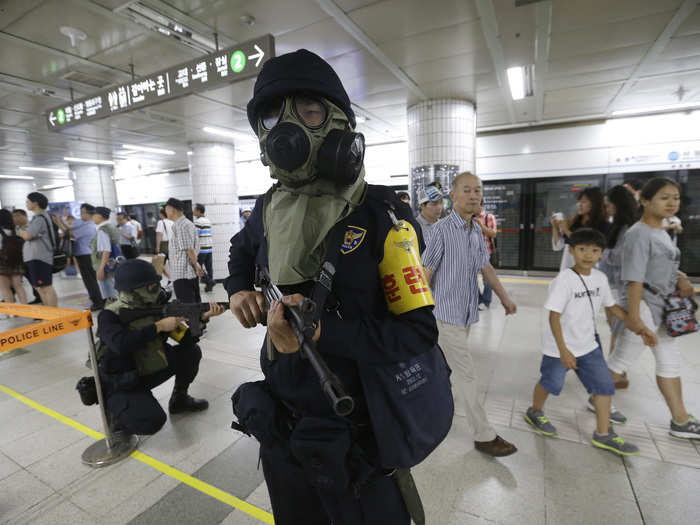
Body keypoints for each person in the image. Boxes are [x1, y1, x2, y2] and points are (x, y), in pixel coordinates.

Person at [226, 49, 447, 525]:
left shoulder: (386, 218)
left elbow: (418, 335)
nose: (288, 129)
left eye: (308, 110)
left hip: (360, 438)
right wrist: (237, 288)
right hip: (287, 427)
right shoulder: (269, 208)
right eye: (271, 116)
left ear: (342, 124)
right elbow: (240, 249)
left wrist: (327, 334)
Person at [524, 229, 656, 455]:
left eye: (595, 250)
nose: (588, 255)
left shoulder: (600, 279)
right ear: (572, 251)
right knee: (550, 383)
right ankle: (535, 411)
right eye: (582, 249)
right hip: (559, 347)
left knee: (604, 386)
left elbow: (612, 307)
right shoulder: (563, 281)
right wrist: (564, 351)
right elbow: (553, 316)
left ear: (601, 254)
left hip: (588, 345)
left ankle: (603, 434)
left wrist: (641, 328)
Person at [422, 171, 518, 457]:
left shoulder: (475, 230)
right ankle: (484, 435)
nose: (474, 195)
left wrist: (504, 297)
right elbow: (425, 272)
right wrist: (418, 313)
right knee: (467, 375)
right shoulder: (440, 230)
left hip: (465, 314)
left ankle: (425, 412)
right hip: (444, 316)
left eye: (478, 190)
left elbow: (485, 268)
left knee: (446, 369)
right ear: (453, 196)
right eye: (467, 190)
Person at [607, 178, 700, 439]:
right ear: (645, 201)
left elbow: (662, 265)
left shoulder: (661, 230)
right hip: (646, 306)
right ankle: (597, 398)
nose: (672, 203)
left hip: (662, 307)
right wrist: (634, 318)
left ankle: (680, 419)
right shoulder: (638, 233)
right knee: (620, 361)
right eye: (664, 197)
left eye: (676, 198)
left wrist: (680, 277)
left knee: (669, 361)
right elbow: (634, 278)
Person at [97, 259, 223, 439]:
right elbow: (120, 344)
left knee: (191, 352)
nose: (157, 290)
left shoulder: (157, 308)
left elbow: (187, 340)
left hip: (148, 368)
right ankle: (118, 417)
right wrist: (158, 327)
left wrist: (202, 319)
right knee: (152, 421)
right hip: (122, 380)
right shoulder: (110, 315)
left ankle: (179, 399)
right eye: (151, 287)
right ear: (133, 291)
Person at [598, 186, 638, 367]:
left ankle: (614, 371)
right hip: (617, 286)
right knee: (616, 328)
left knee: (618, 329)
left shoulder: (629, 229)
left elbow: (618, 257)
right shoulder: (623, 226)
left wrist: (601, 252)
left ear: (618, 205)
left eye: (609, 205)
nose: (607, 209)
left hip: (624, 288)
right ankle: (615, 369)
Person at [53, 204, 104, 310]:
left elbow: (70, 234)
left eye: (82, 212)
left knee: (90, 280)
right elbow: (69, 228)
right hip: (82, 254)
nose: (80, 214)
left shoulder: (89, 226)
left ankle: (98, 302)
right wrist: (60, 221)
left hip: (87, 255)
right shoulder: (82, 222)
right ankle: (96, 299)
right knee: (88, 280)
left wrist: (58, 222)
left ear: (89, 214)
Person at [551, 187, 608, 271]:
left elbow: (587, 246)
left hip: (587, 272)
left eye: (583, 202)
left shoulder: (602, 225)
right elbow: (557, 246)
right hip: (567, 270)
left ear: (594, 204)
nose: (579, 205)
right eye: (579, 201)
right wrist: (555, 227)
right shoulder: (575, 222)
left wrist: (566, 230)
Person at [18, 192, 58, 307]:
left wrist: (20, 231)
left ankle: (54, 315)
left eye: (27, 201)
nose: (26, 204)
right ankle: (49, 313)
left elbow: (28, 236)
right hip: (37, 257)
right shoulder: (39, 217)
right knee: (41, 287)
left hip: (39, 257)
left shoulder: (39, 218)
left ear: (35, 203)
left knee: (45, 287)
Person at [165, 198, 202, 303]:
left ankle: (193, 320)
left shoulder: (180, 226)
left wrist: (196, 266)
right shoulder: (188, 223)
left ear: (173, 210)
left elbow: (188, 249)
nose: (165, 211)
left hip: (182, 274)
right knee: (194, 305)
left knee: (187, 308)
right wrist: (196, 265)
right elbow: (195, 247)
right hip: (189, 273)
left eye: (167, 209)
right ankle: (197, 320)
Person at [91, 206, 121, 301]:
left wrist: (101, 269)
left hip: (106, 266)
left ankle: (113, 311)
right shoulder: (112, 226)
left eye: (94, 215)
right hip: (114, 263)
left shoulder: (102, 230)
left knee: (110, 293)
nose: (92, 217)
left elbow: (106, 250)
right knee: (115, 288)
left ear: (99, 216)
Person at [12, 209, 41, 304]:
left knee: (33, 279)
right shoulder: (15, 229)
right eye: (13, 216)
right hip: (20, 258)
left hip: (32, 256)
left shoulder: (32, 226)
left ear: (24, 216)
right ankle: (10, 296)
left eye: (16, 216)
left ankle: (40, 297)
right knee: (16, 279)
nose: (14, 218)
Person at [0, 209, 27, 306]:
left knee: (5, 288)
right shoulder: (16, 230)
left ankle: (12, 312)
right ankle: (25, 308)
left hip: (2, 262)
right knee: (18, 286)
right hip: (17, 261)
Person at [475, 199, 498, 310]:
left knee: (487, 280)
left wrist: (481, 226)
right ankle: (478, 300)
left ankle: (486, 301)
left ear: (480, 205)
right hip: (471, 253)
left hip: (486, 252)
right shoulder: (468, 218)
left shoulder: (488, 217)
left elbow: (493, 234)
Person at [193, 203, 215, 292]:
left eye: (194, 210)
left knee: (197, 267)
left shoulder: (197, 222)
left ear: (198, 211)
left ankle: (209, 281)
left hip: (201, 249)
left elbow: (196, 236)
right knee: (209, 267)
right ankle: (209, 286)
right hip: (209, 247)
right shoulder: (207, 220)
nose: (193, 211)